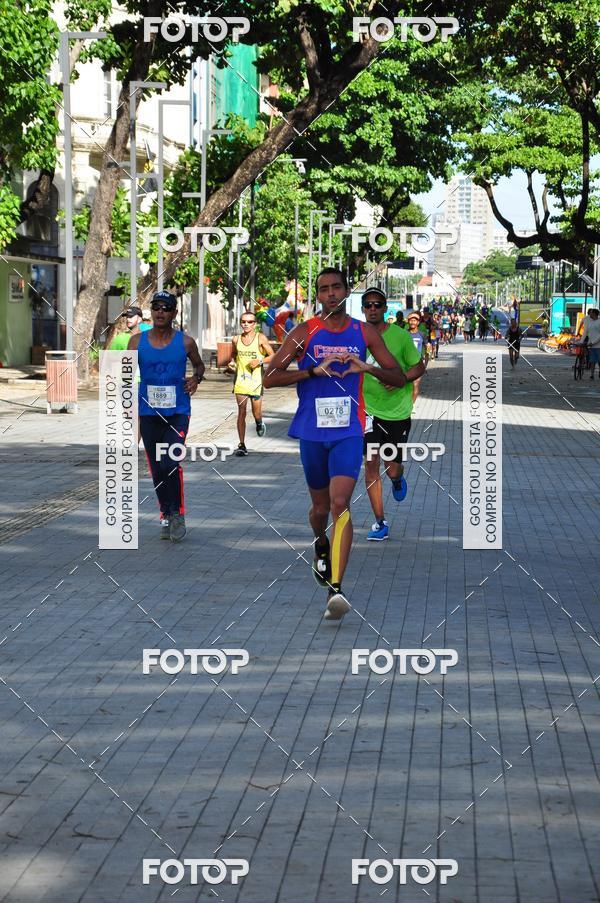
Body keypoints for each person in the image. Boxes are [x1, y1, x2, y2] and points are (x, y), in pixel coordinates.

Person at [264, 268, 408, 621]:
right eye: (324, 289)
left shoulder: (364, 332)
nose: (331, 294)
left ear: (346, 292)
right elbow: (270, 378)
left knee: (340, 503)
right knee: (320, 510)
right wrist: (313, 371)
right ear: (318, 295)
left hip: (349, 430)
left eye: (337, 288)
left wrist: (366, 368)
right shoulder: (304, 332)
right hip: (312, 432)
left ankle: (336, 588)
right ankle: (320, 542)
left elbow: (398, 376)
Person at [128, 290, 204, 542]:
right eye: (156, 307)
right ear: (151, 311)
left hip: (177, 412)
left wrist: (196, 378)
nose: (160, 312)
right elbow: (123, 376)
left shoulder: (186, 342)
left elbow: (199, 365)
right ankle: (166, 513)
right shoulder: (136, 342)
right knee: (157, 468)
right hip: (148, 413)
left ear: (174, 313)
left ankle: (177, 514)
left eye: (166, 308)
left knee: (170, 462)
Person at [362, 291, 425, 541]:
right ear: (363, 309)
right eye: (368, 305)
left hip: (397, 412)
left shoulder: (400, 336)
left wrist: (401, 379)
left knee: (391, 468)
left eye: (377, 305)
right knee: (371, 464)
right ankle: (380, 522)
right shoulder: (357, 336)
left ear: (384, 308)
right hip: (367, 411)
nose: (373, 309)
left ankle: (397, 478)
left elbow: (419, 366)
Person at [231, 311, 274, 456]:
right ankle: (242, 445)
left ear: (255, 324)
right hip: (241, 381)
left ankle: (259, 422)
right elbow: (233, 355)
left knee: (256, 413)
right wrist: (232, 364)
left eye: (250, 322)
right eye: (243, 321)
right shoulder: (236, 339)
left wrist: (259, 361)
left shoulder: (260, 338)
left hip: (256, 382)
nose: (246, 324)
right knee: (241, 412)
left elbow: (273, 356)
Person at [578, 308, 600, 379]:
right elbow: (585, 332)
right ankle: (592, 375)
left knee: (599, 361)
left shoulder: (599, 322)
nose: (589, 314)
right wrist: (581, 342)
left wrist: (593, 342)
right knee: (592, 361)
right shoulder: (590, 322)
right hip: (591, 345)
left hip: (598, 346)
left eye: (591, 313)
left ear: (594, 314)